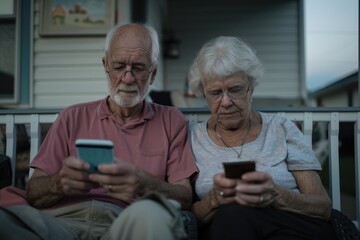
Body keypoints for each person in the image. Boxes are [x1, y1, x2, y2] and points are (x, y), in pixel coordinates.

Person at [0, 23, 198, 240]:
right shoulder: (71, 117)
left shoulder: (171, 120)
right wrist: (58, 183)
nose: (128, 78)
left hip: (127, 221)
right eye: (119, 66)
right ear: (106, 65)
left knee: (151, 213)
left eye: (138, 67)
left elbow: (185, 197)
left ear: (153, 73)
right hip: (62, 222)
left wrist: (145, 184)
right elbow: (34, 192)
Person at [187, 36, 337, 239]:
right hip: (226, 228)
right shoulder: (193, 138)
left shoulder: (281, 129)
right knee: (232, 214)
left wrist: (276, 195)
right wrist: (214, 200)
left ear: (251, 86)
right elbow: (189, 216)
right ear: (203, 94)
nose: (226, 102)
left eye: (235, 89)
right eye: (215, 93)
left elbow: (322, 206)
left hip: (290, 225)